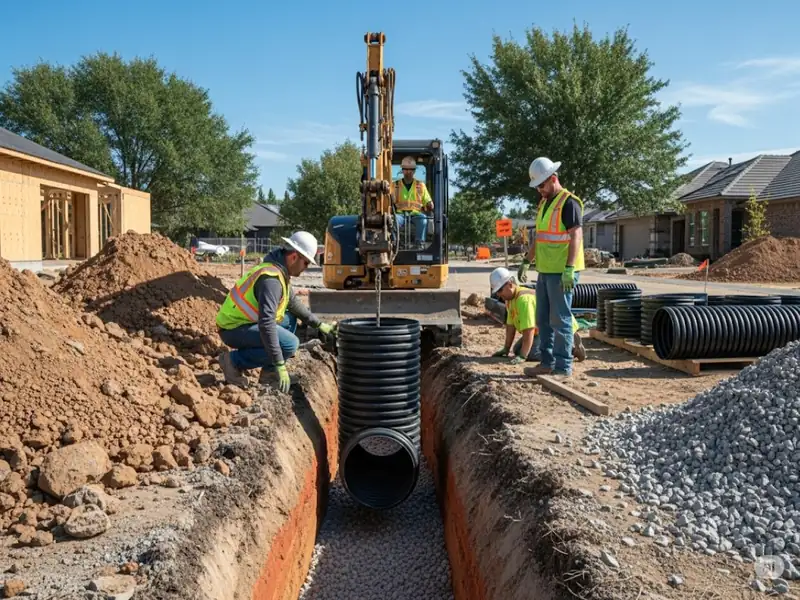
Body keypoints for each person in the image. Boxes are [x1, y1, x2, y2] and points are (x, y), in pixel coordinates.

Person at [215, 231, 337, 392]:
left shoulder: (279, 271)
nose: (306, 268)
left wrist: (319, 324)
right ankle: (233, 361)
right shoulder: (271, 280)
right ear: (294, 257)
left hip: (246, 323)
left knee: (290, 318)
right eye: (306, 263)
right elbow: (266, 324)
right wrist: (279, 362)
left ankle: (269, 375)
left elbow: (293, 303)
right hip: (233, 329)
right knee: (290, 344)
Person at [516, 157, 585, 377]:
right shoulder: (545, 203)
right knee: (542, 320)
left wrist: (569, 268)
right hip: (545, 271)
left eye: (542, 185)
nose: (540, 190)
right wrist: (528, 260)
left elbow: (576, 235)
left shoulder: (569, 203)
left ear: (553, 179)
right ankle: (546, 363)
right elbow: (540, 236)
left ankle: (563, 366)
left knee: (560, 319)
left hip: (562, 272)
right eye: (537, 187)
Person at [489, 267, 585, 364]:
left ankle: (569, 349)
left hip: (558, 328)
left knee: (532, 353)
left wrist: (523, 356)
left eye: (500, 290)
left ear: (510, 285)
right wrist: (506, 348)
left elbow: (529, 331)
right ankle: (562, 346)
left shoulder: (524, 301)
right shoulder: (510, 300)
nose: (499, 294)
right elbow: (510, 326)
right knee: (517, 349)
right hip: (542, 330)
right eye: (497, 292)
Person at [394, 156, 433, 248]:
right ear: (402, 170)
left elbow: (427, 200)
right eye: (406, 169)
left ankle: (419, 243)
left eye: (411, 169)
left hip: (416, 214)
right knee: (392, 220)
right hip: (400, 215)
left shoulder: (421, 185)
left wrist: (429, 204)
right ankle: (396, 243)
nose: (408, 172)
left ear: (414, 171)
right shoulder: (394, 185)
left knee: (423, 220)